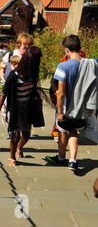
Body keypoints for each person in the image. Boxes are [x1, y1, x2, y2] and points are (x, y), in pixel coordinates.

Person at [44, 35, 97, 172]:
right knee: (73, 132)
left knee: (63, 131)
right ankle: (72, 160)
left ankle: (61, 158)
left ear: (66, 50)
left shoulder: (63, 66)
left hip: (67, 109)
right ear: (80, 48)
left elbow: (60, 93)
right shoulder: (92, 64)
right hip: (83, 110)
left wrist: (60, 112)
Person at [0, 47, 43, 166]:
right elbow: (2, 96)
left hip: (27, 110)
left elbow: (34, 91)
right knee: (15, 135)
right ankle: (12, 157)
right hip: (14, 110)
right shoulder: (13, 76)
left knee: (26, 135)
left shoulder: (33, 75)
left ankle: (19, 148)